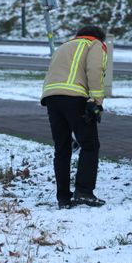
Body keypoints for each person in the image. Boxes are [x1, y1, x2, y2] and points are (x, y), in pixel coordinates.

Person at [41, 25, 109, 209]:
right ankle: (84, 192)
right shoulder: (95, 45)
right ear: (99, 38)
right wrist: (96, 102)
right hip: (74, 97)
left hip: (51, 97)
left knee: (62, 148)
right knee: (90, 144)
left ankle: (63, 197)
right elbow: (94, 70)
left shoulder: (64, 45)